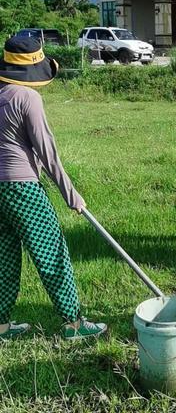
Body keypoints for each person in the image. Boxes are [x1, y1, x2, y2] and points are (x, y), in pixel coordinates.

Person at [0, 36, 107, 340]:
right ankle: (74, 324)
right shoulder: (27, 98)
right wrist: (70, 194)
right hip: (22, 189)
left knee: (4, 255)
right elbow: (47, 152)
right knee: (51, 250)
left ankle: (1, 326)